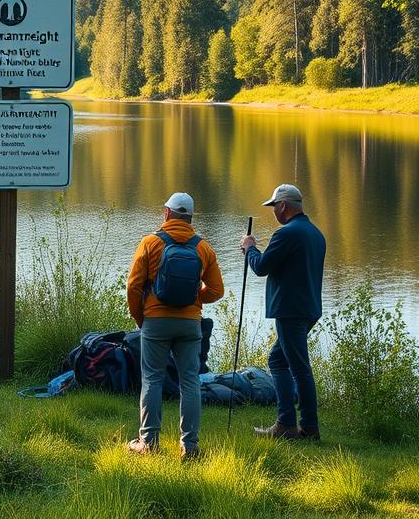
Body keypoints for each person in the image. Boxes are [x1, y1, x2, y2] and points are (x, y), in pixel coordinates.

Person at [126, 192, 224, 459]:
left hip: (155, 321)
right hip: (190, 323)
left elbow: (133, 286)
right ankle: (190, 447)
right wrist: (195, 298)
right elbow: (216, 290)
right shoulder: (203, 248)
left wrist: (140, 317)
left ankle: (149, 443)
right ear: (190, 218)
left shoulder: (150, 243)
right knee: (190, 381)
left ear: (167, 214)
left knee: (153, 379)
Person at [241, 183, 326, 441]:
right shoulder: (315, 233)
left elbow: (262, 267)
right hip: (309, 308)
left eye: (274, 207)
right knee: (279, 360)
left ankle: (302, 427)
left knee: (299, 368)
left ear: (283, 206)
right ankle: (288, 422)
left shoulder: (286, 234)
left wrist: (249, 248)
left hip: (291, 311)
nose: (273, 212)